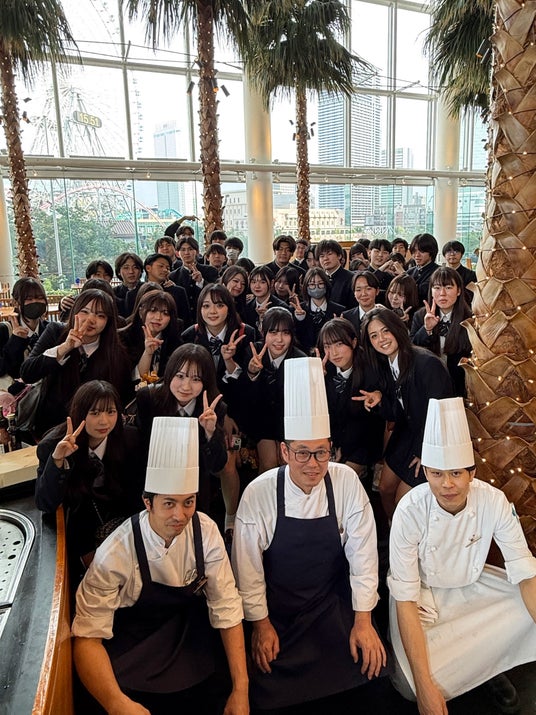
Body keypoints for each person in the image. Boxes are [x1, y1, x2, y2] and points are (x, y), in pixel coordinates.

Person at [232, 357, 386, 711]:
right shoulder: (259, 492)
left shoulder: (345, 481)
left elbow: (364, 557)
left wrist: (364, 621)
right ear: (284, 452)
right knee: (270, 685)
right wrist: (260, 625)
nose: (314, 464)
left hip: (331, 602)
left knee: (366, 674)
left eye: (321, 452)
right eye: (302, 453)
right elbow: (248, 570)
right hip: (279, 610)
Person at [72, 416, 249, 715]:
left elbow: (226, 607)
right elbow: (87, 638)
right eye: (169, 503)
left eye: (188, 502)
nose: (180, 515)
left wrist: (240, 689)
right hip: (134, 654)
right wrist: (117, 703)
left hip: (192, 648)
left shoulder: (205, 531)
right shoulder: (116, 552)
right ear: (148, 502)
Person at [388, 397, 536, 715]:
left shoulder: (493, 501)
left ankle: (491, 667)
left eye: (456, 473)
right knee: (409, 685)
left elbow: (525, 572)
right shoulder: (409, 511)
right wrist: (425, 688)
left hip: (473, 585)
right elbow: (405, 598)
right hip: (422, 594)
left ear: (472, 473)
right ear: (426, 472)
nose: (447, 485)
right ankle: (480, 666)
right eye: (436, 474)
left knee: (530, 608)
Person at [35, 380, 144, 581]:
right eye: (95, 413)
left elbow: (138, 494)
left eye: (111, 412)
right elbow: (45, 503)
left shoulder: (130, 438)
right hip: (80, 533)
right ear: (79, 413)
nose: (104, 421)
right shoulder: (53, 444)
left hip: (125, 527)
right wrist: (57, 461)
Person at [361, 308, 453, 520]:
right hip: (405, 436)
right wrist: (380, 400)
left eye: (385, 331)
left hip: (429, 439)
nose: (381, 339)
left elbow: (442, 413)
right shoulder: (385, 366)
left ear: (396, 328)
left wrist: (426, 452)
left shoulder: (427, 363)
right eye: (374, 336)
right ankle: (395, 533)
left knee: (403, 502)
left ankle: (407, 535)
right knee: (384, 489)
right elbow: (396, 413)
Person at [20, 288, 133, 439]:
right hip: (51, 429)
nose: (90, 319)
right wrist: (64, 348)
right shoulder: (56, 332)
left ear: (108, 321)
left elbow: (122, 396)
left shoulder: (116, 352)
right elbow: (27, 373)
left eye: (100, 315)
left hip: (94, 433)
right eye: (85, 311)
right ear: (74, 312)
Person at [135, 344, 227, 517]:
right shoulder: (148, 398)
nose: (186, 386)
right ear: (169, 374)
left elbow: (217, 465)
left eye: (196, 379)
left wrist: (210, 432)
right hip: (152, 484)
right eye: (180, 376)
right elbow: (140, 451)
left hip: (193, 490)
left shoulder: (214, 408)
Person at [240, 307, 307, 473]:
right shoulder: (253, 352)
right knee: (268, 464)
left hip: (290, 423)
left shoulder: (300, 359)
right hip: (260, 421)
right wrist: (252, 373)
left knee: (287, 464)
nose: (279, 339)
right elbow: (245, 396)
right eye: (273, 332)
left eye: (285, 333)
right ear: (263, 333)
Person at [318, 318, 384, 479]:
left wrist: (344, 450)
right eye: (327, 346)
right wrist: (316, 381)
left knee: (340, 479)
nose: (334, 352)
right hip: (334, 441)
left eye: (339, 344)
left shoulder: (370, 370)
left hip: (364, 442)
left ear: (353, 343)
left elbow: (369, 424)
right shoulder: (323, 371)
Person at [410, 267, 472, 396]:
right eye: (437, 288)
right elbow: (412, 349)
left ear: (459, 291)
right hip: (427, 385)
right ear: (431, 291)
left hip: (460, 387)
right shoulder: (420, 316)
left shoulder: (470, 319)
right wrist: (427, 329)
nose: (442, 293)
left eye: (448, 287)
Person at [118, 290, 183, 382]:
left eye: (165, 313)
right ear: (141, 312)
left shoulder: (175, 341)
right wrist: (148, 353)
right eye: (153, 310)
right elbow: (131, 379)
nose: (158, 317)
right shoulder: (122, 338)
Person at [0, 277, 49, 388]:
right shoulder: (4, 331)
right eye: (29, 299)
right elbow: (2, 369)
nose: (35, 302)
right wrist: (15, 341)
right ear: (15, 302)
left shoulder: (50, 329)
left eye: (40, 298)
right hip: (13, 394)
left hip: (44, 392)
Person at [290, 266, 344, 354]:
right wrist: (300, 319)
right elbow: (296, 338)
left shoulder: (339, 310)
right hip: (305, 356)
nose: (316, 287)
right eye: (312, 285)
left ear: (326, 285)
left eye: (320, 283)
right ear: (306, 287)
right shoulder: (297, 309)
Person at [170, 235, 219, 322]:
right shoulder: (173, 276)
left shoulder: (210, 271)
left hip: (206, 318)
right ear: (177, 253)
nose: (186, 253)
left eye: (190, 249)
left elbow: (216, 293)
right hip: (184, 320)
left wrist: (201, 281)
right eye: (183, 250)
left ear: (196, 252)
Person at [242, 266, 288, 340]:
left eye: (262, 282)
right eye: (253, 282)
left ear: (272, 283)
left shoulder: (281, 307)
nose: (257, 286)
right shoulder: (247, 307)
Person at [316, 239, 357, 310]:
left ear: (339, 256)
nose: (325, 258)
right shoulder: (318, 279)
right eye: (322, 256)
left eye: (329, 254)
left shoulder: (351, 278)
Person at [342, 271, 383, 337]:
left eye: (368, 289)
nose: (363, 294)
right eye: (358, 290)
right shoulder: (346, 317)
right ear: (354, 293)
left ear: (377, 291)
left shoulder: (386, 316)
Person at [406, 233, 440, 303]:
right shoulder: (410, 271)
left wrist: (404, 275)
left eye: (422, 251)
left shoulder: (438, 272)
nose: (417, 255)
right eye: (414, 251)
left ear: (431, 252)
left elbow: (423, 291)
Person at [441, 239, 477, 304]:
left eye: (456, 251)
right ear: (444, 255)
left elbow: (473, 296)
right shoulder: (440, 274)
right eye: (449, 251)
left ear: (462, 254)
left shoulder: (471, 275)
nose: (452, 254)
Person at [113, 252, 144, 318]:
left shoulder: (147, 289)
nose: (131, 271)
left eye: (135, 267)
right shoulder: (114, 293)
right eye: (126, 268)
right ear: (118, 272)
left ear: (141, 271)